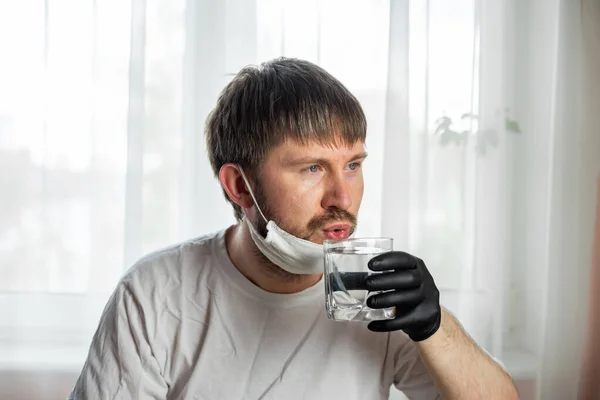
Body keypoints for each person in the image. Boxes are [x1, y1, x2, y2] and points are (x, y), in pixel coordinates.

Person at [70, 58, 518, 399]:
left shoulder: (376, 292)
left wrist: (435, 327)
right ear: (240, 186)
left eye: (354, 165)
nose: (343, 199)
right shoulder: (154, 294)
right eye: (311, 168)